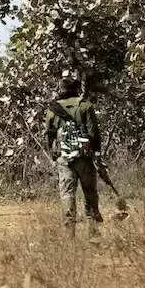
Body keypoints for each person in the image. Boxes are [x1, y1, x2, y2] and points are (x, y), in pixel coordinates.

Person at [44, 75, 103, 238]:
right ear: (76, 89)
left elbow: (49, 135)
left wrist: (53, 154)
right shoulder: (85, 106)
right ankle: (93, 234)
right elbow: (94, 134)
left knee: (67, 193)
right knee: (89, 192)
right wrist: (96, 154)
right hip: (84, 157)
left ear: (61, 89)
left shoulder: (53, 109)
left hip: (64, 158)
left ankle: (69, 234)